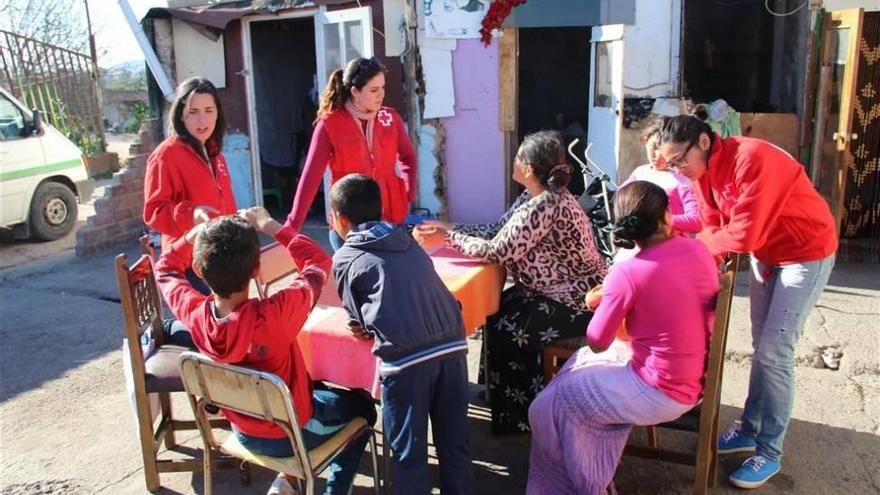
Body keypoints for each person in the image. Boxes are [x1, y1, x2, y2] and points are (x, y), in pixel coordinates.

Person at [657, 115, 837, 489]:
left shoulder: (751, 158)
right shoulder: (701, 172)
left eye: (679, 161)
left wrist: (696, 251)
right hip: (767, 255)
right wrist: (702, 264)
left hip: (806, 253)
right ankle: (749, 429)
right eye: (670, 164)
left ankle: (770, 452)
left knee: (775, 353)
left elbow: (742, 234)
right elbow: (711, 225)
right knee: (761, 348)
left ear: (704, 142)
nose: (677, 170)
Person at [154, 207, 376, 495]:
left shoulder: (193, 313)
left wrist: (194, 234)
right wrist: (270, 225)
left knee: (317, 390)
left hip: (242, 430)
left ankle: (288, 480)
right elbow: (319, 261)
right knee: (364, 409)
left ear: (198, 269)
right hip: (292, 433)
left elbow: (165, 267)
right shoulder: (275, 315)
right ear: (256, 269)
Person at [526, 181, 720, 494]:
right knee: (570, 384)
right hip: (695, 381)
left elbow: (597, 341)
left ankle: (579, 485)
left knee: (547, 407)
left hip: (660, 391)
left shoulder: (628, 272)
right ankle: (588, 476)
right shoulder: (699, 251)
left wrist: (598, 301)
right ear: (667, 217)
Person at [414, 130, 607, 435]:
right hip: (549, 290)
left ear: (529, 168)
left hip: (575, 300)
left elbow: (496, 251)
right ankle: (497, 396)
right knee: (496, 309)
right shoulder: (532, 196)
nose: (514, 161)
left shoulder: (545, 205)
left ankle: (523, 414)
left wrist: (448, 238)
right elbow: (496, 230)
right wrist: (448, 227)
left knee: (509, 327)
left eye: (518, 157)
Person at [331, 174, 472, 494]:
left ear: (339, 219)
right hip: (453, 344)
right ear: (379, 210)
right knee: (455, 448)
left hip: (406, 360)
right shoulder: (407, 240)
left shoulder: (345, 257)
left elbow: (359, 322)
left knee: (409, 457)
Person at [285, 57, 417, 251]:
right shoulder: (329, 124)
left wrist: (406, 195)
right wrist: (292, 225)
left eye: (382, 88)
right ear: (355, 91)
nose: (380, 95)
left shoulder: (390, 118)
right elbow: (310, 177)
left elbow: (408, 157)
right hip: (349, 224)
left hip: (390, 221)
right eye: (373, 90)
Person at [143, 77, 237, 293]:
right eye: (193, 112)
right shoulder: (166, 155)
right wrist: (190, 214)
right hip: (187, 264)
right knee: (220, 323)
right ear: (181, 115)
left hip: (220, 258)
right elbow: (153, 212)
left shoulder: (213, 151)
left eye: (209, 110)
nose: (202, 120)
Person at [620, 119, 701, 235]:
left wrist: (662, 221)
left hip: (672, 245)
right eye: (654, 147)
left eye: (664, 149)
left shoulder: (682, 180)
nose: (658, 155)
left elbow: (696, 221)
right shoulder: (640, 173)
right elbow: (620, 199)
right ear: (645, 141)